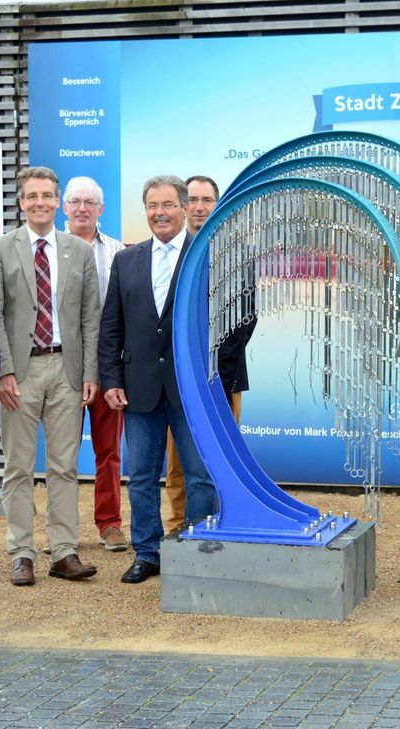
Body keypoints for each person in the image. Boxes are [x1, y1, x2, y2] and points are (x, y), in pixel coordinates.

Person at [98, 175, 219, 584]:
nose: (160, 212)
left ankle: (199, 549)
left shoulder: (206, 256)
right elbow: (110, 326)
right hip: (139, 387)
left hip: (191, 390)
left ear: (184, 208)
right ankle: (147, 553)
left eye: (168, 204)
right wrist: (111, 379)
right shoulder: (126, 260)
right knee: (143, 478)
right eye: (152, 205)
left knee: (198, 474)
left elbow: (225, 325)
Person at [0, 166, 101, 586]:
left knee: (64, 466)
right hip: (20, 371)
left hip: (67, 371)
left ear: (58, 202)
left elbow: (90, 316)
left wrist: (90, 372)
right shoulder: (1, 249)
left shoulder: (79, 250)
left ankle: (64, 551)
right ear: (21, 202)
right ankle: (22, 552)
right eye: (31, 195)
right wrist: (3, 370)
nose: (40, 202)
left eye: (47, 195)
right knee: (18, 466)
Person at [162, 174, 254, 533]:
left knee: (222, 455)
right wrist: (184, 368)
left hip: (222, 377)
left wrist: (212, 370)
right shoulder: (168, 253)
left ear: (218, 205)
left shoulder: (235, 252)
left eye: (207, 200)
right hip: (177, 379)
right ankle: (176, 524)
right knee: (178, 460)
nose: (200, 207)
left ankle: (220, 521)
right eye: (193, 200)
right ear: (184, 206)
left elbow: (245, 318)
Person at [62, 175, 128, 553]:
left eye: (89, 202)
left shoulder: (119, 252)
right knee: (61, 454)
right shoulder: (49, 250)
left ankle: (109, 524)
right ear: (64, 207)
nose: (82, 208)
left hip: (107, 369)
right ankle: (64, 530)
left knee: (109, 452)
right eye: (75, 201)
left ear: (101, 209)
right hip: (64, 369)